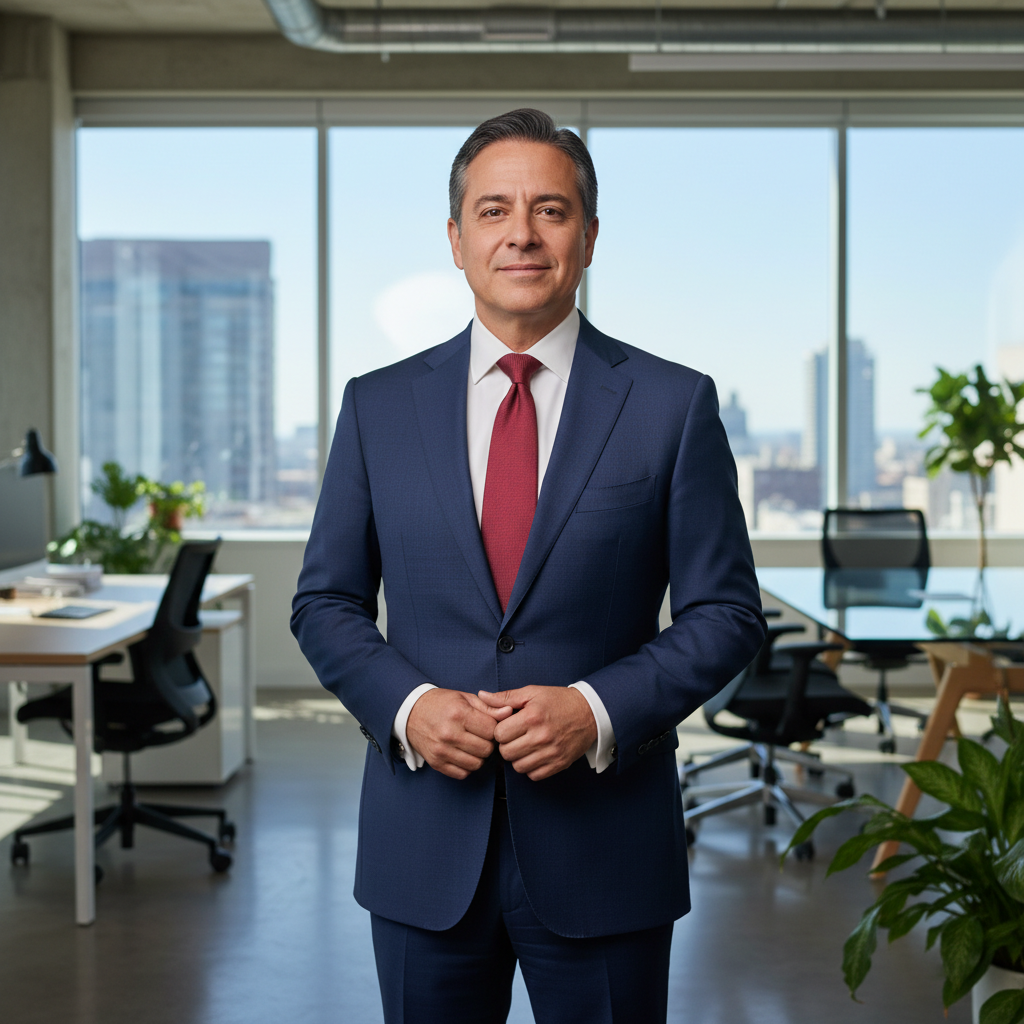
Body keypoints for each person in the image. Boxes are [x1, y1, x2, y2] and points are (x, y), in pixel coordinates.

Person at [291, 108, 766, 1024]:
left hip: (606, 844)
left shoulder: (673, 405)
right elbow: (326, 602)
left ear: (588, 237)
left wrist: (594, 709)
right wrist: (409, 705)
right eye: (494, 209)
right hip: (424, 839)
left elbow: (725, 614)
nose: (521, 233)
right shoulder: (377, 407)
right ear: (457, 239)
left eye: (550, 210)